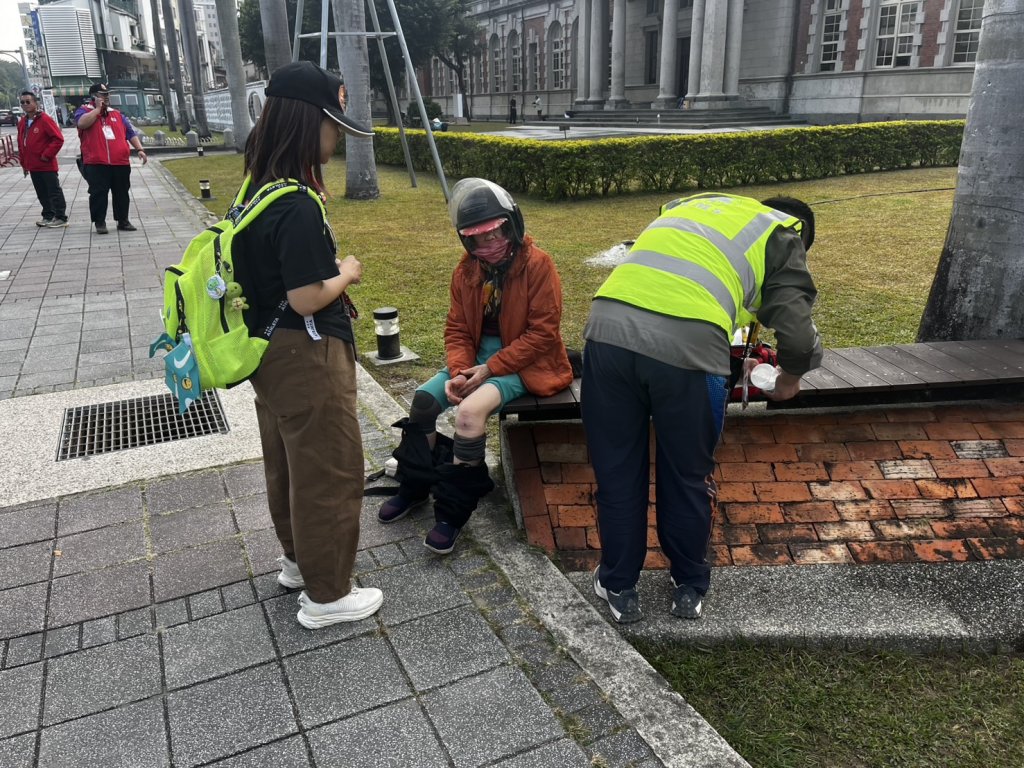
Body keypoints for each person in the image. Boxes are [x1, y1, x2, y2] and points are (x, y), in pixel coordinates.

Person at [582, 193, 823, 623]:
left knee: (617, 471)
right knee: (688, 474)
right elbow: (799, 339)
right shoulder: (783, 235)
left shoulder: (695, 206)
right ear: (800, 236)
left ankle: (618, 586)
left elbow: (680, 274)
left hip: (608, 332)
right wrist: (787, 381)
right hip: (687, 352)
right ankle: (689, 585)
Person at [237, 60, 381, 629]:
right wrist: (346, 272)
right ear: (306, 123)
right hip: (305, 352)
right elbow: (305, 296)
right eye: (331, 125)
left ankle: (299, 562)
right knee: (328, 469)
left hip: (268, 356)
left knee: (289, 462)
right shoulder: (296, 203)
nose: (336, 137)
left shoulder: (256, 188)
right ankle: (327, 595)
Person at [377, 178, 573, 555]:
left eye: (496, 233)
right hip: (478, 363)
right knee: (423, 402)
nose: (488, 245)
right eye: (477, 239)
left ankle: (451, 512)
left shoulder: (538, 265)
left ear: (512, 225)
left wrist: (488, 370)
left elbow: (543, 334)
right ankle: (416, 485)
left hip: (526, 364)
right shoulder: (466, 271)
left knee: (468, 413)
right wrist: (460, 370)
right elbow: (456, 329)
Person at [75, 83, 148, 234]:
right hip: (96, 162)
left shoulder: (116, 114)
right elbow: (82, 124)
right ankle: (99, 222)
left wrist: (140, 149)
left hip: (119, 162)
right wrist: (97, 110)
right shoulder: (84, 111)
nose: (106, 97)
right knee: (98, 193)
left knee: (122, 192)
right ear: (93, 96)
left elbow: (130, 133)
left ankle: (123, 220)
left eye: (107, 94)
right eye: (102, 94)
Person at [17, 91, 68, 228]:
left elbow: (58, 139)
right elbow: (22, 143)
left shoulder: (44, 119)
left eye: (28, 101)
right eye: (22, 102)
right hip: (33, 165)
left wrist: (46, 155)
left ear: (35, 103)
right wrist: (24, 163)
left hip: (46, 164)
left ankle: (61, 217)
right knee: (41, 193)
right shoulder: (22, 122)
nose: (25, 104)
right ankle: (48, 215)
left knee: (53, 191)